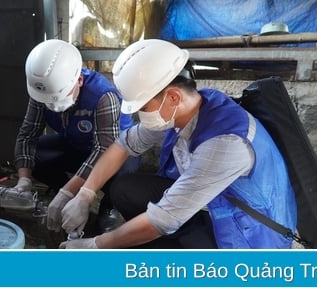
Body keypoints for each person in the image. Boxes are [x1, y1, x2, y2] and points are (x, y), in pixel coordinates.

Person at [58, 39, 297, 249]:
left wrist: (96, 245)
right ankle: (161, 240)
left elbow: (163, 218)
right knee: (124, 189)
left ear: (173, 97)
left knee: (139, 255)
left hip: (248, 232)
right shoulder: (190, 107)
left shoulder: (225, 143)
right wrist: (84, 195)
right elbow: (124, 145)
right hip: (209, 204)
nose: (141, 116)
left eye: (143, 107)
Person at [11, 39, 141, 234]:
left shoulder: (103, 95)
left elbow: (104, 149)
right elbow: (27, 136)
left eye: (60, 98)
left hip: (115, 152)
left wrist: (75, 194)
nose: (53, 106)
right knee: (35, 154)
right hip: (76, 145)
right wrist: (24, 180)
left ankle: (109, 207)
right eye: (49, 101)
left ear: (79, 80)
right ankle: (61, 190)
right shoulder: (42, 92)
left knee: (124, 175)